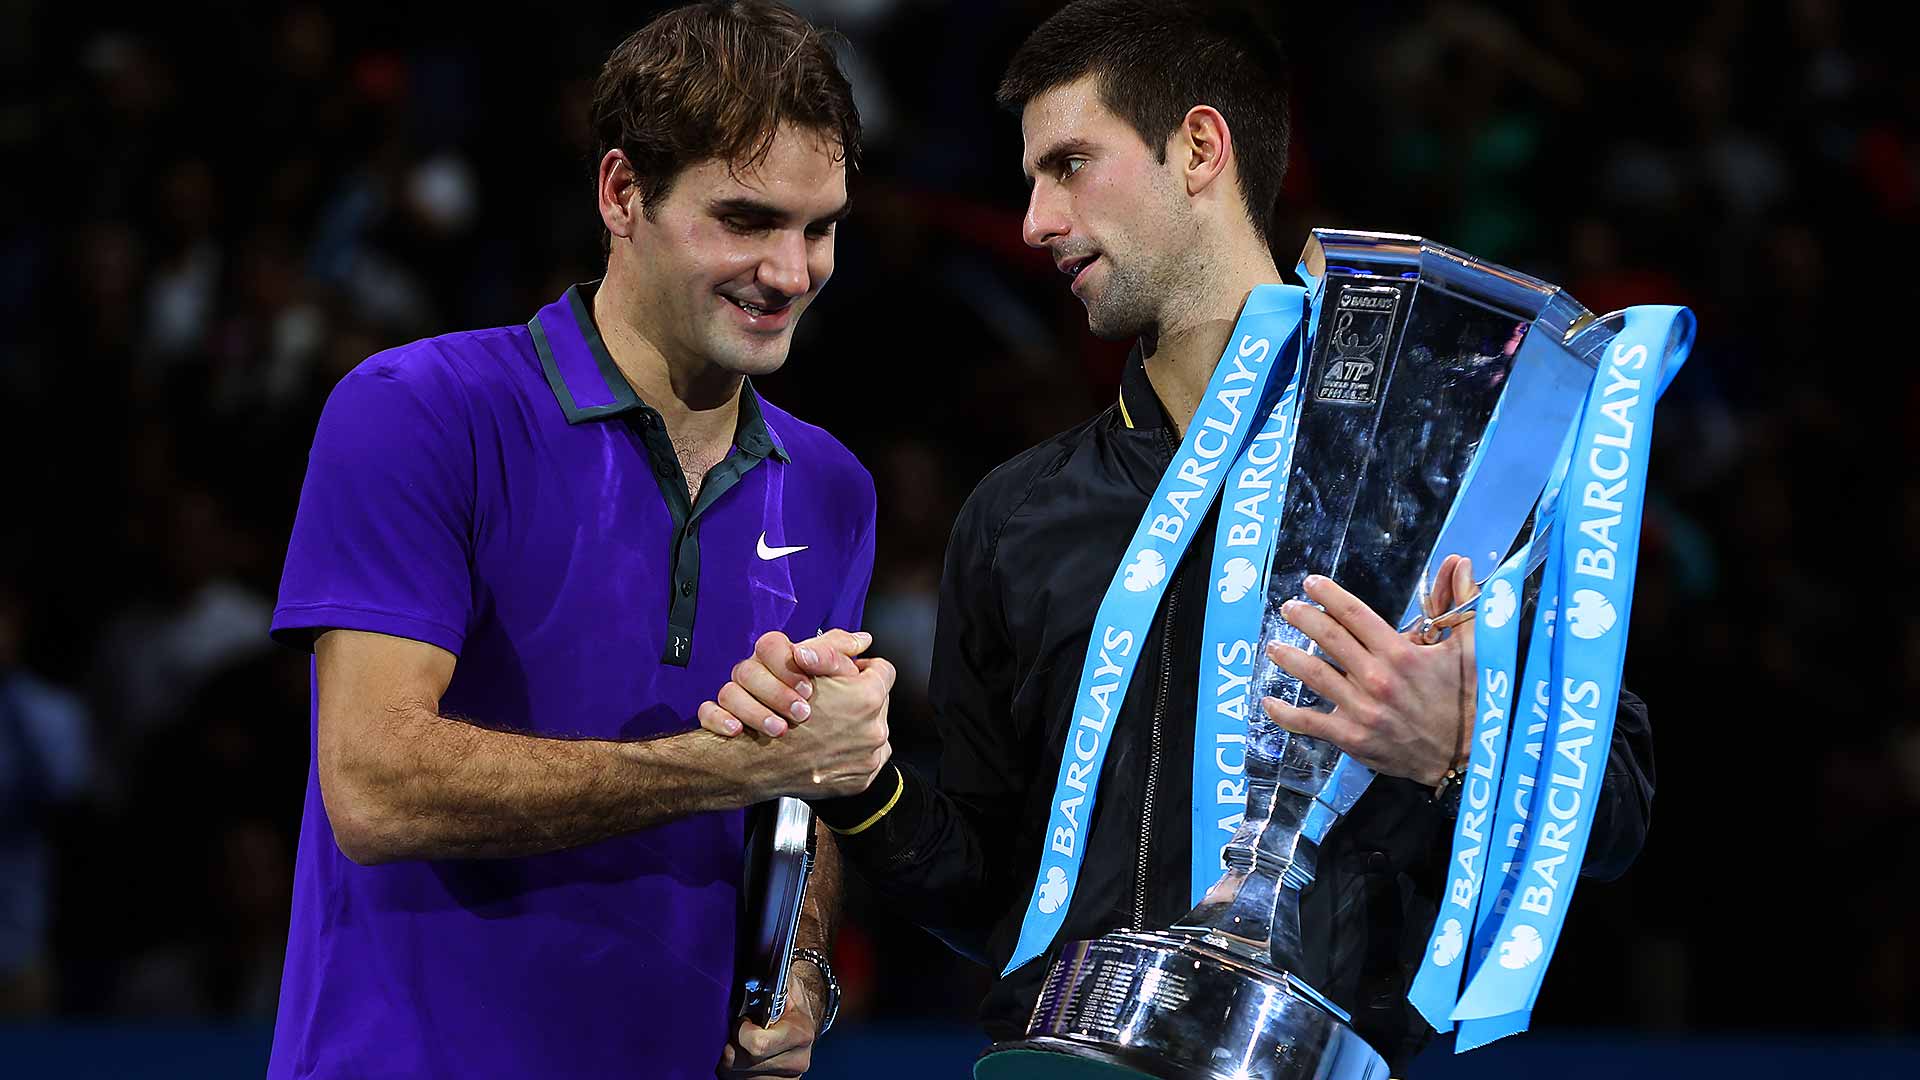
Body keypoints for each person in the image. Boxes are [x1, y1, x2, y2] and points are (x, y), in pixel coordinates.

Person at [700, 0, 1654, 1072]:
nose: (1034, 222)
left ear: (1199, 148)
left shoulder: (1435, 477)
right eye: (1029, 180)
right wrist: (865, 779)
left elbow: (1612, 816)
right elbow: (988, 896)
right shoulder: (1018, 515)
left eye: (1069, 165)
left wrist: (1460, 746)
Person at [265, 3, 895, 1077]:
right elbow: (373, 783)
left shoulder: (832, 487)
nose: (791, 272)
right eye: (745, 220)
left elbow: (799, 795)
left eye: (819, 227)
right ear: (621, 193)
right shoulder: (416, 410)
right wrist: (713, 770)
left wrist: (796, 967)